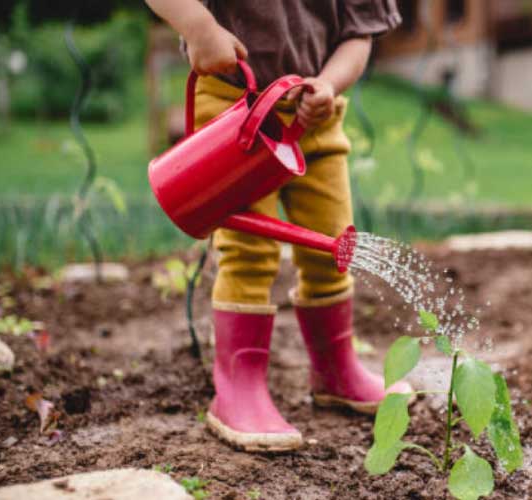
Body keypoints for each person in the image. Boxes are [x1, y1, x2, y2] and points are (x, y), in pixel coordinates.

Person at [145, 0, 411, 452]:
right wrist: (201, 28)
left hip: (315, 119)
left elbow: (358, 35)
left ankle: (336, 368)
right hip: (235, 111)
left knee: (333, 245)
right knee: (250, 253)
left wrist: (328, 83)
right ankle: (238, 386)